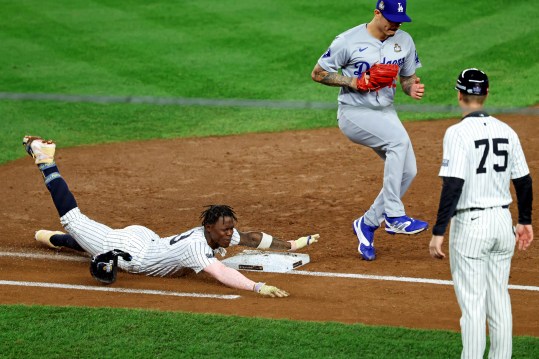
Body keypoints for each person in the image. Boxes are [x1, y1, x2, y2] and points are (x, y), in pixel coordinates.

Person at [23, 135, 320, 297]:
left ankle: (51, 239)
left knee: (94, 243)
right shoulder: (196, 246)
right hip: (133, 253)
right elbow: (221, 273)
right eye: (225, 231)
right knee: (73, 220)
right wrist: (257, 287)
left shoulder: (217, 232)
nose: (230, 236)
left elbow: (253, 237)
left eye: (231, 230)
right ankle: (45, 158)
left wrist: (292, 245)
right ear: (209, 227)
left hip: (147, 238)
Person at [311, 0, 428, 261]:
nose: (396, 24)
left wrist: (411, 88)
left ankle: (367, 223)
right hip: (354, 113)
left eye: (400, 20)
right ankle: (395, 216)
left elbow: (407, 77)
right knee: (398, 143)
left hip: (386, 112)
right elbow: (318, 73)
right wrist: (354, 81)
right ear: (377, 13)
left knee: (408, 171)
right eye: (390, 19)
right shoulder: (347, 41)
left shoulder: (404, 40)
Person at [429, 68, 533, 358]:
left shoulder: (458, 133)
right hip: (503, 223)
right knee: (499, 298)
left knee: (473, 305)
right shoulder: (507, 131)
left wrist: (439, 231)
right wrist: (525, 221)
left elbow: (453, 184)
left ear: (459, 95)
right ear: (486, 95)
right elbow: (523, 181)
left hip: (471, 226)